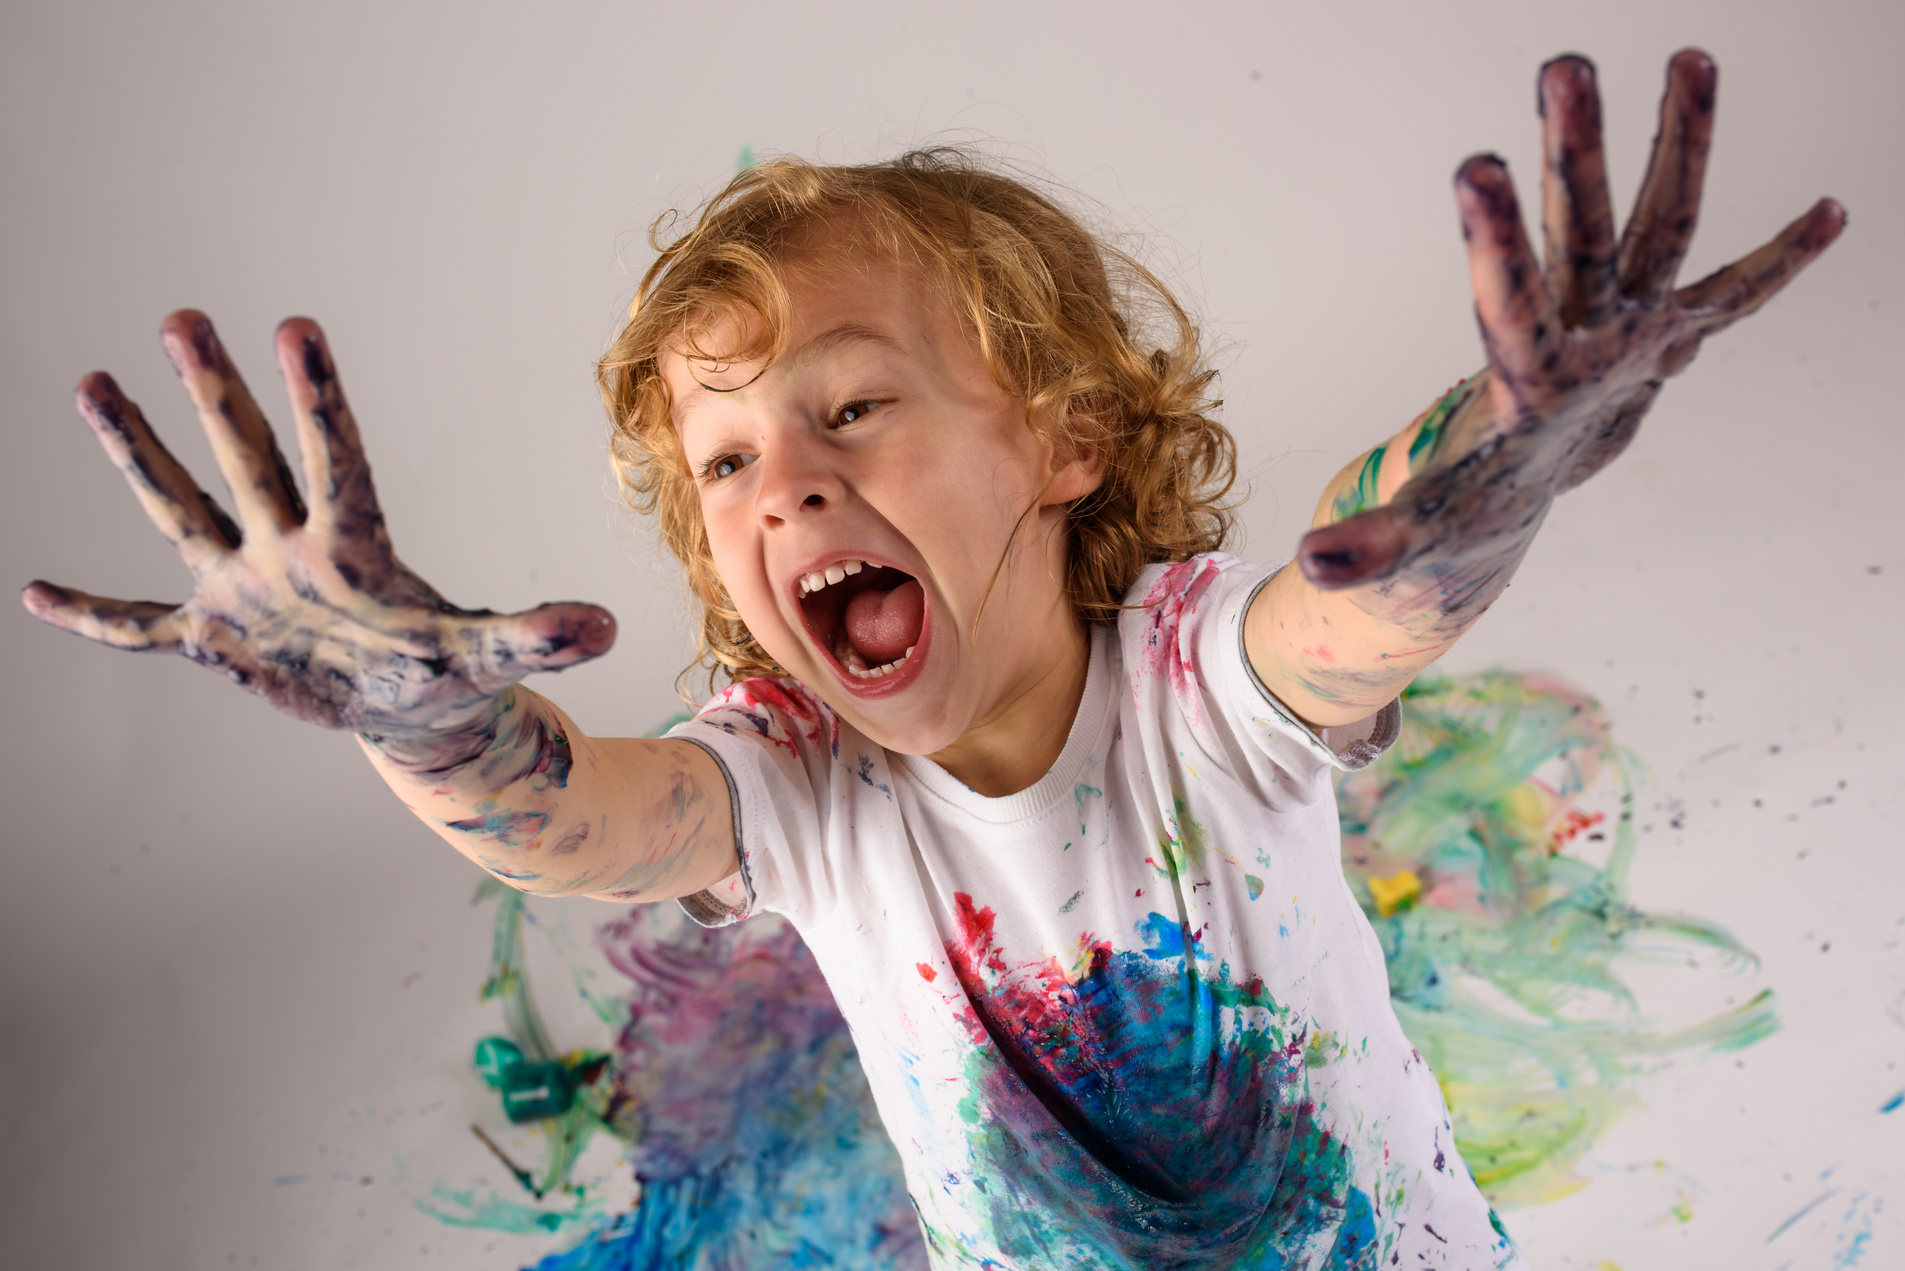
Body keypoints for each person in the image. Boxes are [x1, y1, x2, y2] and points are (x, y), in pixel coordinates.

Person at [22, 50, 1841, 1270]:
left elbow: (1358, 602)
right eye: (727, 463)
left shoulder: (1197, 690)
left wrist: (1503, 459)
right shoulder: (800, 791)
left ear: (1065, 442)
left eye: (855, 408)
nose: (789, 480)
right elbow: (580, 822)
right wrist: (418, 717)